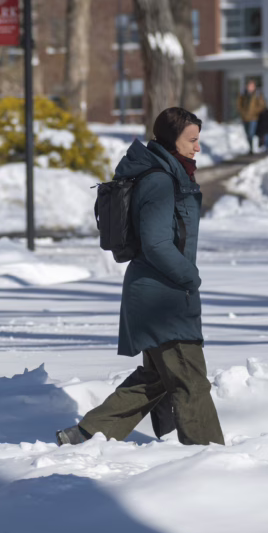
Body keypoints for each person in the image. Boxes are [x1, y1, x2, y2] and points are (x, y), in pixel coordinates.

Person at [56, 107, 225, 448]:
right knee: (190, 379)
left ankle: (85, 434)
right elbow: (157, 243)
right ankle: (210, 459)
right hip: (161, 296)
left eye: (198, 140)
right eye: (191, 140)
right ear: (170, 140)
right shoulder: (161, 181)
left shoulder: (170, 173)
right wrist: (189, 276)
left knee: (157, 377)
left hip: (161, 292)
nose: (197, 148)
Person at [236, 79, 267, 154]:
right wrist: (242, 112)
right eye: (249, 86)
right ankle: (250, 147)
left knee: (251, 133)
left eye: (252, 86)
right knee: (247, 134)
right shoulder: (243, 94)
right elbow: (239, 104)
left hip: (253, 117)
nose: (250, 88)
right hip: (245, 117)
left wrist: (255, 111)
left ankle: (252, 147)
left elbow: (262, 105)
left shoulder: (257, 94)